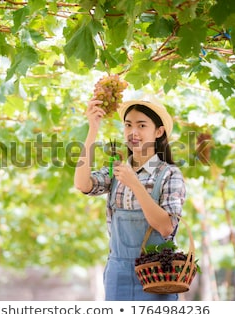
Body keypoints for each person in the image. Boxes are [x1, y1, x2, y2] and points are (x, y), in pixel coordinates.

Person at [74, 95, 186, 301]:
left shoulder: (170, 174)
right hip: (118, 272)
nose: (133, 132)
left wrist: (135, 184)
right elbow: (82, 184)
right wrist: (92, 128)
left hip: (157, 274)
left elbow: (166, 227)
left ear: (159, 132)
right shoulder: (117, 170)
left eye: (142, 125)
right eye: (128, 125)